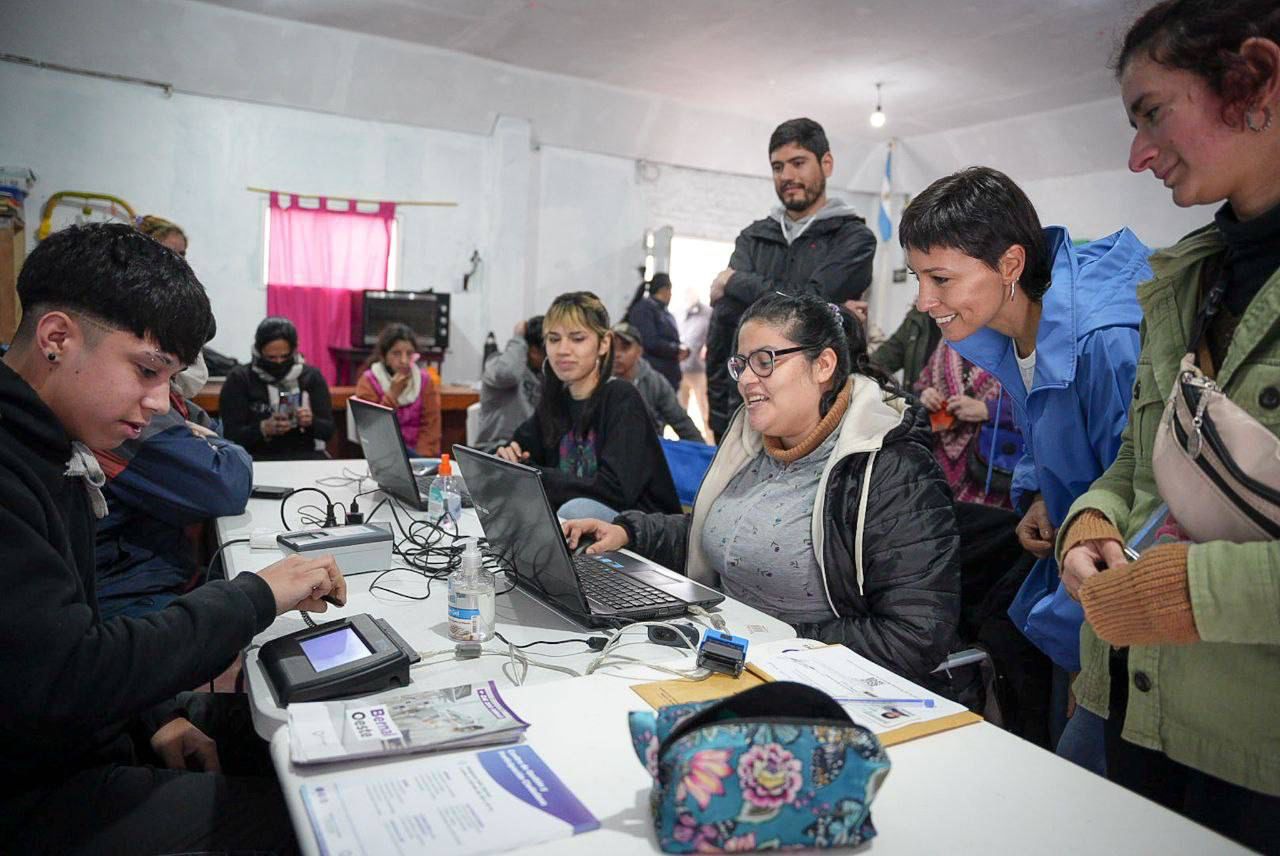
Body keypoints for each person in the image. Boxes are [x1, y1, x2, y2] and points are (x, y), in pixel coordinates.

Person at [0, 222, 346, 853]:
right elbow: (68, 677)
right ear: (56, 338)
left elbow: (56, 647)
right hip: (32, 792)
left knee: (312, 728)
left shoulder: (54, 444)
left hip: (81, 731)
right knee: (320, 823)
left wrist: (154, 716)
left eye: (172, 379)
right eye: (146, 371)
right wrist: (255, 597)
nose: (161, 403)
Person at [1056, 2, 1280, 848]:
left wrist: (1184, 591)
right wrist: (1093, 519)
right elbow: (1135, 464)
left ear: (1256, 78)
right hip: (1129, 700)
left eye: (1153, 113)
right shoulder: (1187, 283)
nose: (1138, 154)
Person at [563, 292, 960, 691]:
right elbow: (723, 532)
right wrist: (631, 532)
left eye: (765, 361)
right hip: (726, 653)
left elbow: (915, 634)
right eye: (741, 364)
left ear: (823, 365)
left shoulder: (891, 470)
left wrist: (776, 642)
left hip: (806, 677)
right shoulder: (756, 445)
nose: (747, 379)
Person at [900, 166, 1152, 773]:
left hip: (1121, 599)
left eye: (940, 279)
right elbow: (1050, 430)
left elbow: (1143, 493)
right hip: (1071, 567)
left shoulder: (1106, 342)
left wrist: (1088, 656)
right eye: (917, 278)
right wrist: (1039, 492)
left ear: (1010, 264)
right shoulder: (1010, 330)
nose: (923, 301)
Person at [705, 117, 877, 441]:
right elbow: (728, 318)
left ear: (826, 163)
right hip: (745, 410)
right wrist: (718, 418)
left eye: (798, 163)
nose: (787, 176)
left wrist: (735, 281)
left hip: (822, 418)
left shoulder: (855, 238)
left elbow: (808, 303)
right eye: (777, 167)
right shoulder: (753, 238)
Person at [497, 291, 680, 520]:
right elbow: (520, 448)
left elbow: (614, 490)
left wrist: (532, 474)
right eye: (554, 339)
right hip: (582, 528)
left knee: (576, 511)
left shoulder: (622, 399)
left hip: (640, 531)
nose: (563, 350)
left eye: (577, 338)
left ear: (603, 344)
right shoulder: (556, 400)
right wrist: (508, 456)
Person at [94, 384, 252, 619]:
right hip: (129, 591)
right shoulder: (117, 408)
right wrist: (219, 444)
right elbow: (225, 485)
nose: (162, 404)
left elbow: (207, 431)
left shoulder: (166, 399)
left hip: (156, 573)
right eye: (148, 371)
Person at [915, 341, 1016, 508]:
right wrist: (925, 395)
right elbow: (921, 384)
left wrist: (987, 410)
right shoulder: (947, 343)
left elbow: (1040, 409)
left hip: (993, 470)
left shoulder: (1012, 344)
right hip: (940, 471)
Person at [219, 316, 335, 460]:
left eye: (285, 356)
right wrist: (263, 428)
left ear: (294, 350)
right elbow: (231, 434)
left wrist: (310, 421)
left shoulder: (311, 377)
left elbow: (328, 431)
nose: (279, 362)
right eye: (271, 358)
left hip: (303, 458)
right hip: (256, 458)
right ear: (259, 351)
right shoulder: (240, 379)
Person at [354, 322, 442, 457]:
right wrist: (392, 395)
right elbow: (373, 431)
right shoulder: (369, 381)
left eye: (409, 353)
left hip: (420, 457)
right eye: (396, 353)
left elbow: (431, 429)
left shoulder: (424, 381)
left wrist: (420, 462)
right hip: (384, 455)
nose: (404, 360)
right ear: (384, 357)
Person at [611, 321, 706, 443]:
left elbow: (680, 421)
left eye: (625, 348)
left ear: (639, 351)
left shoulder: (655, 382)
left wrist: (705, 454)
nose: (617, 354)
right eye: (612, 348)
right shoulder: (596, 381)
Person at [476, 315, 544, 449]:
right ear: (534, 351)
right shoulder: (497, 364)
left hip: (530, 452)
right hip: (496, 450)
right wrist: (518, 337)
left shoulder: (545, 375)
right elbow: (507, 374)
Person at [625, 272, 686, 390]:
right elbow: (650, 342)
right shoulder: (644, 310)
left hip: (667, 376)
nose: (671, 295)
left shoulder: (662, 311)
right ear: (664, 290)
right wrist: (675, 350)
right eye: (670, 291)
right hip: (653, 378)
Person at [872, 306, 942, 388]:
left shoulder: (958, 322)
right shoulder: (918, 317)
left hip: (949, 398)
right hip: (915, 398)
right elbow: (879, 361)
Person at [678, 295, 712, 438]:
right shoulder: (678, 313)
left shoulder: (708, 314)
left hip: (699, 370)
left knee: (705, 411)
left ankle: (711, 444)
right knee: (680, 411)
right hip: (681, 370)